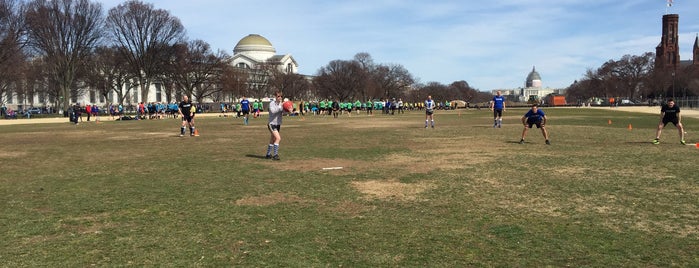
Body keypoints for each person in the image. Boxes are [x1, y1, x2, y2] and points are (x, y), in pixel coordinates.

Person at [265, 92, 284, 160]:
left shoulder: (281, 104)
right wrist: (280, 107)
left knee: (272, 140)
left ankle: (268, 154)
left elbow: (283, 112)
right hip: (271, 124)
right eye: (278, 96)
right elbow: (273, 111)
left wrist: (289, 110)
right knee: (278, 138)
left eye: (281, 96)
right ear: (275, 97)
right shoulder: (272, 103)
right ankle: (275, 155)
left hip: (278, 124)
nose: (280, 97)